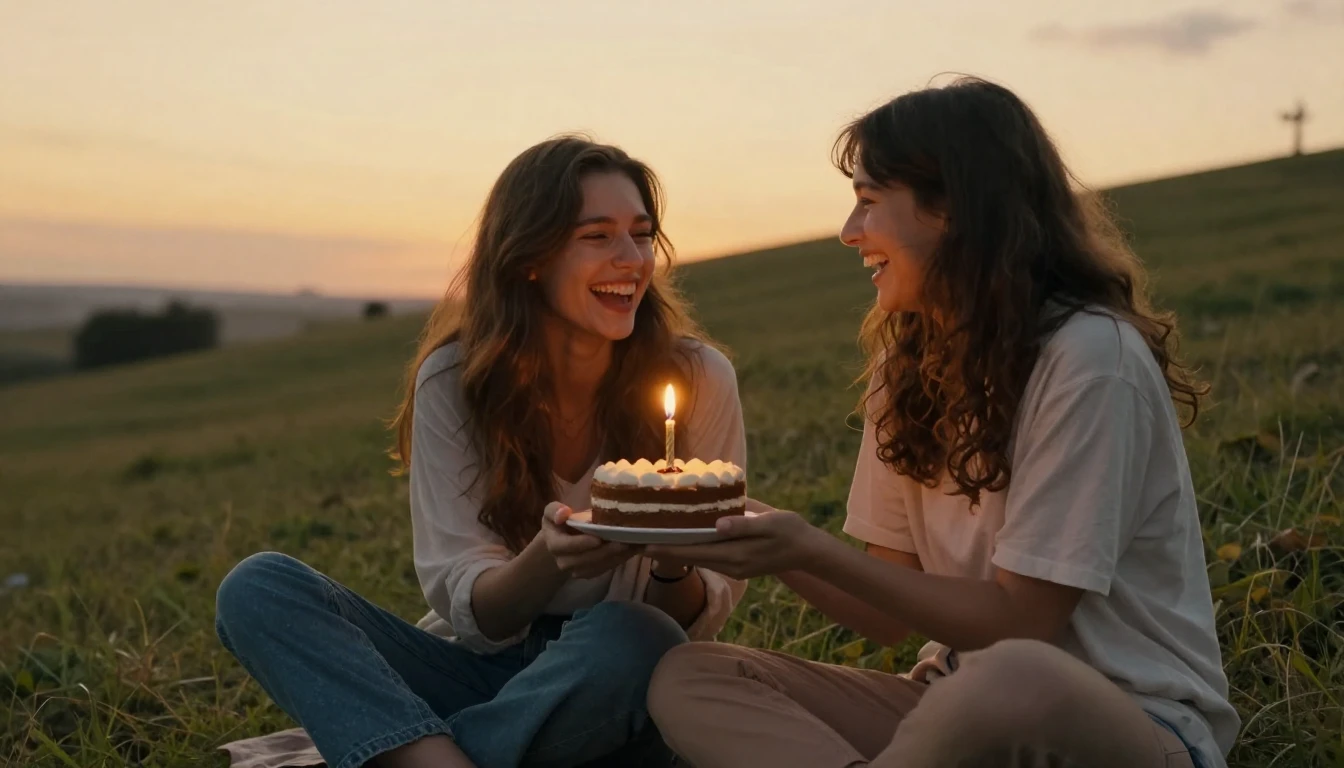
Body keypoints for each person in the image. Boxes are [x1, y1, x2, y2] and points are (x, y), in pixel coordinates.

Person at [644, 77, 1238, 768]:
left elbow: (1024, 621)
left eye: (868, 202)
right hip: (946, 706)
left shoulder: (1089, 357)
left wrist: (804, 547)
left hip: (1119, 721)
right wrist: (743, 522)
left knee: (1011, 677)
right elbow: (888, 614)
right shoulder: (909, 365)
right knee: (692, 676)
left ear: (952, 209)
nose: (848, 232)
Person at [214, 135, 747, 768]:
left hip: (609, 670)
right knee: (258, 588)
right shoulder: (456, 381)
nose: (631, 259)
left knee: (640, 635)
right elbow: (477, 615)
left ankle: (418, 751)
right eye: (597, 236)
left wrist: (671, 560)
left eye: (641, 234)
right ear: (529, 258)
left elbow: (692, 621)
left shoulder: (700, 377)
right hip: (470, 667)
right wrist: (548, 558)